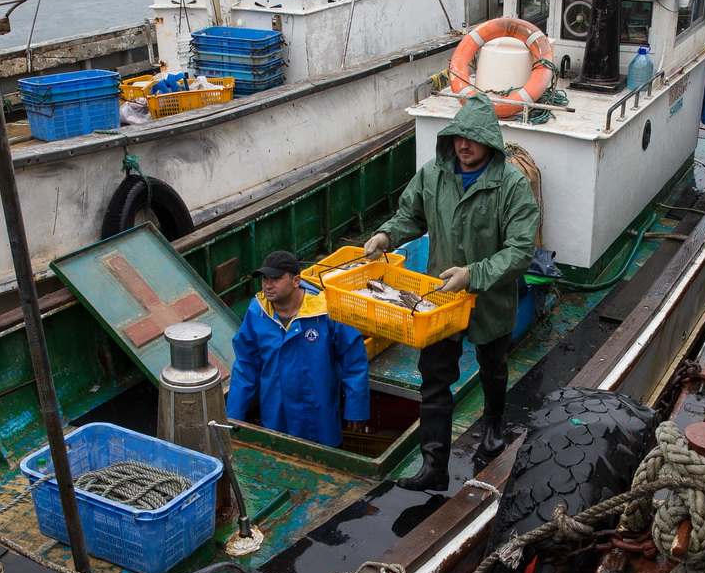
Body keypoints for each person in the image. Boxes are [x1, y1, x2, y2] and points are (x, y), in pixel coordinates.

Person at [365, 95, 539, 491]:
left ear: (490, 143)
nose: (465, 145)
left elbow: (520, 250)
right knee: (434, 376)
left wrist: (473, 274)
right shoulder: (432, 175)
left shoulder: (510, 184)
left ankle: (494, 426)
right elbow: (411, 215)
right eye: (459, 136)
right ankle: (433, 466)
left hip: (490, 298)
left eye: (474, 139)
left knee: (492, 366)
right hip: (440, 300)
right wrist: (386, 235)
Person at [226, 250, 370, 447]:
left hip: (320, 416)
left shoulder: (326, 311)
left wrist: (356, 409)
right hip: (276, 417)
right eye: (265, 279)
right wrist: (232, 417)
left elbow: (353, 360)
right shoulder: (256, 313)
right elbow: (245, 368)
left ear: (296, 281)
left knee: (324, 464)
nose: (268, 285)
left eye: (276, 278)